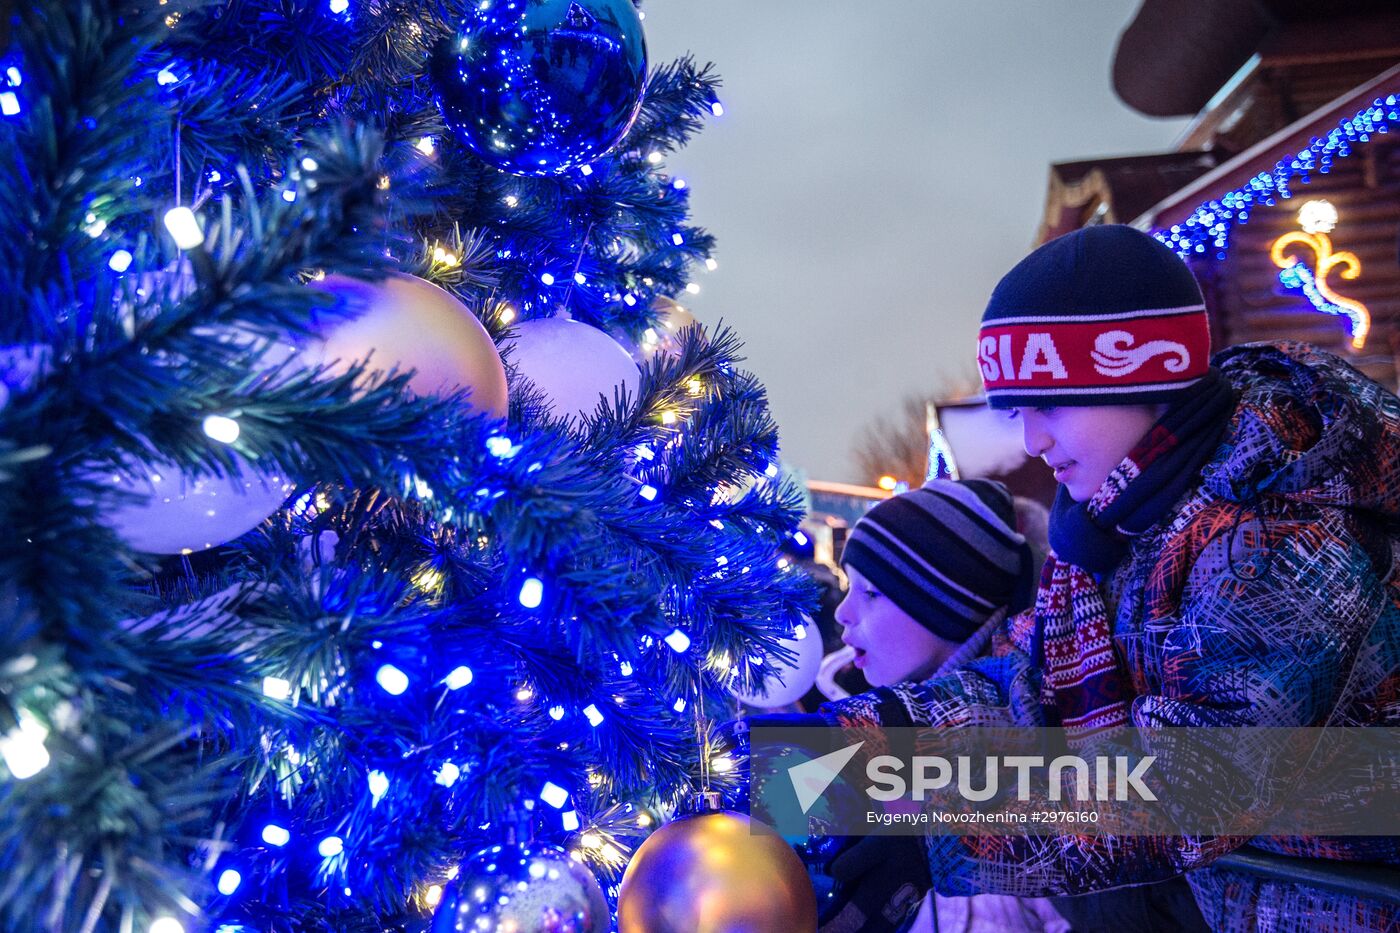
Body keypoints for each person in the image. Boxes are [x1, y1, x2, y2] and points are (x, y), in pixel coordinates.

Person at [818, 224, 1400, 932]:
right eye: (1019, 412)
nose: (1033, 440)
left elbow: (1186, 786)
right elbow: (1033, 694)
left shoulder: (1283, 530)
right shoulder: (1111, 526)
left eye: (1051, 405)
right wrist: (840, 754)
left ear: (1145, 375)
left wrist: (937, 826)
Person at [827, 478, 1071, 932]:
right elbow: (780, 788)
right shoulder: (882, 725)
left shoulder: (1030, 756)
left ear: (945, 607)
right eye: (848, 587)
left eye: (872, 593)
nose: (843, 613)